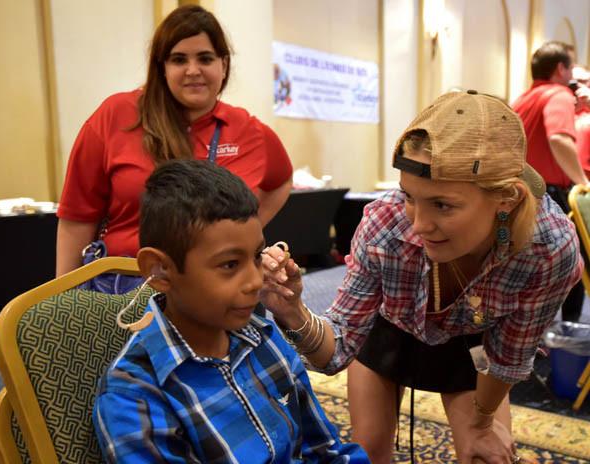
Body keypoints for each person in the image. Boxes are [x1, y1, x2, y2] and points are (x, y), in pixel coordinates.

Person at [261, 90, 582, 464]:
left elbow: (508, 357)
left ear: (506, 199)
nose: (418, 224)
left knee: (487, 455)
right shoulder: (385, 222)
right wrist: (294, 312)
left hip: (473, 342)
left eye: (442, 205)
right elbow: (336, 350)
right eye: (409, 196)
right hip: (389, 324)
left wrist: (482, 424)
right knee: (368, 453)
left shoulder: (549, 248)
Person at [92, 159, 368, 463]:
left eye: (256, 257)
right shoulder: (135, 397)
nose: (254, 281)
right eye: (229, 265)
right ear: (160, 272)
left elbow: (325, 451)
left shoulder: (264, 338)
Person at [56, 5, 293, 285]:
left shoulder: (249, 131)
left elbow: (281, 181)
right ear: (162, 67)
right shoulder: (116, 115)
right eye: (179, 60)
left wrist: (240, 239)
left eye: (205, 58)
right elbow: (77, 217)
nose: (193, 71)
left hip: (220, 286)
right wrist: (65, 296)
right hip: (128, 281)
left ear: (223, 65)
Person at [512, 41, 587, 322]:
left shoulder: (522, 99)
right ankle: (567, 335)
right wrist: (583, 183)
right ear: (560, 68)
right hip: (549, 197)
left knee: (523, 271)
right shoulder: (558, 94)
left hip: (518, 194)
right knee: (573, 267)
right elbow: (558, 139)